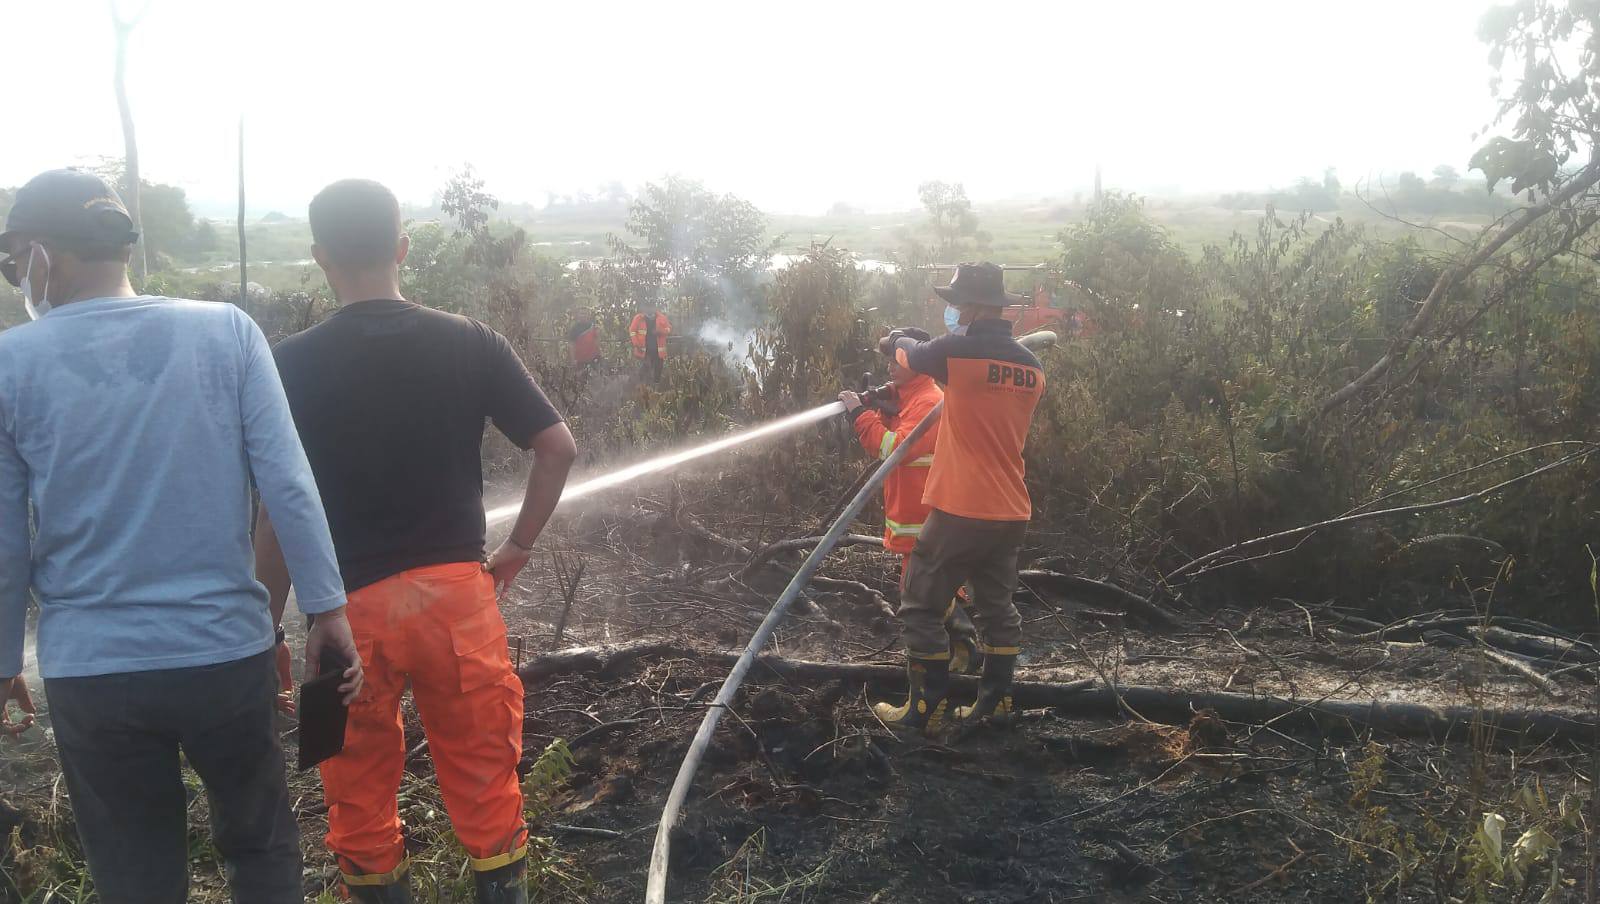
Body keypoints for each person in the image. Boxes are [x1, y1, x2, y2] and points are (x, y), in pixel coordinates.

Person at [0, 169, 362, 903]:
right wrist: (328, 612)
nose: (15, 276)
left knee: (135, 872)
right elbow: (288, 487)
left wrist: (5, 655)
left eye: (13, 260)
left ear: (44, 254)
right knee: (261, 847)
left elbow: (7, 535)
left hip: (92, 671)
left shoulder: (12, 364)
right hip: (224, 658)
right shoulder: (225, 332)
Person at [255, 179, 577, 904]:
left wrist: (268, 624)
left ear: (318, 256)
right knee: (486, 781)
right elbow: (557, 447)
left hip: (342, 618)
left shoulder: (287, 364)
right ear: (401, 247)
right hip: (459, 606)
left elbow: (275, 512)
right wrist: (518, 548)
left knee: (355, 797)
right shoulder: (471, 342)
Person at [873, 262, 1046, 733]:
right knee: (997, 608)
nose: (951, 312)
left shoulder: (957, 353)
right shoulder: (1031, 367)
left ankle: (924, 710)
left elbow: (912, 354)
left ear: (970, 305)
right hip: (1011, 508)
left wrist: (894, 341)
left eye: (954, 304)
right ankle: (995, 705)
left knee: (920, 603)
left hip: (961, 509)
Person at [837, 334, 981, 673]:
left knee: (919, 590)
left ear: (916, 362)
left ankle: (943, 663)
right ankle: (960, 647)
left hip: (926, 516)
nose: (889, 368)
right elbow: (900, 434)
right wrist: (882, 410)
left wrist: (861, 415)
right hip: (917, 513)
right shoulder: (914, 398)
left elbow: (895, 449)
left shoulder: (929, 400)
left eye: (895, 361)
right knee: (930, 585)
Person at [629, 308, 670, 382]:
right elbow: (632, 331)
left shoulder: (662, 317)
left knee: (658, 372)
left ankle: (655, 389)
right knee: (643, 372)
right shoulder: (638, 318)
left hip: (658, 352)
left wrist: (660, 331)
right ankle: (642, 388)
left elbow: (668, 329)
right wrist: (636, 344)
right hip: (644, 352)